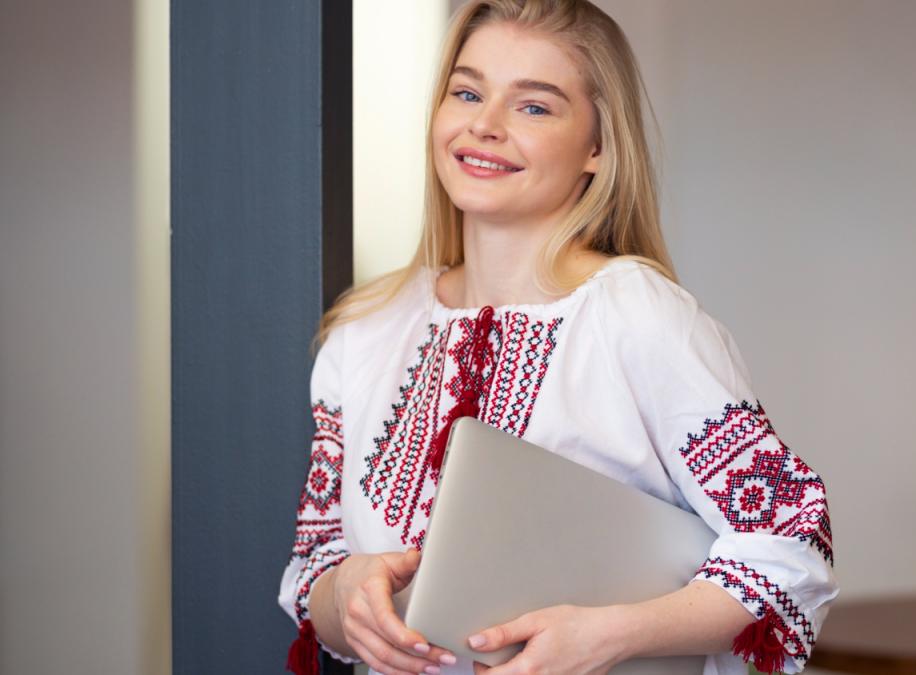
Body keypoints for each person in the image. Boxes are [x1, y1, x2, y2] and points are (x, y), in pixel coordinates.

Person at [278, 1, 838, 674]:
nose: (484, 125)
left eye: (534, 107)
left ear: (598, 147)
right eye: (467, 91)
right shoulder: (363, 333)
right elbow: (316, 568)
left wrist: (611, 634)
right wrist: (349, 598)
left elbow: (791, 538)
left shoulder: (636, 317)